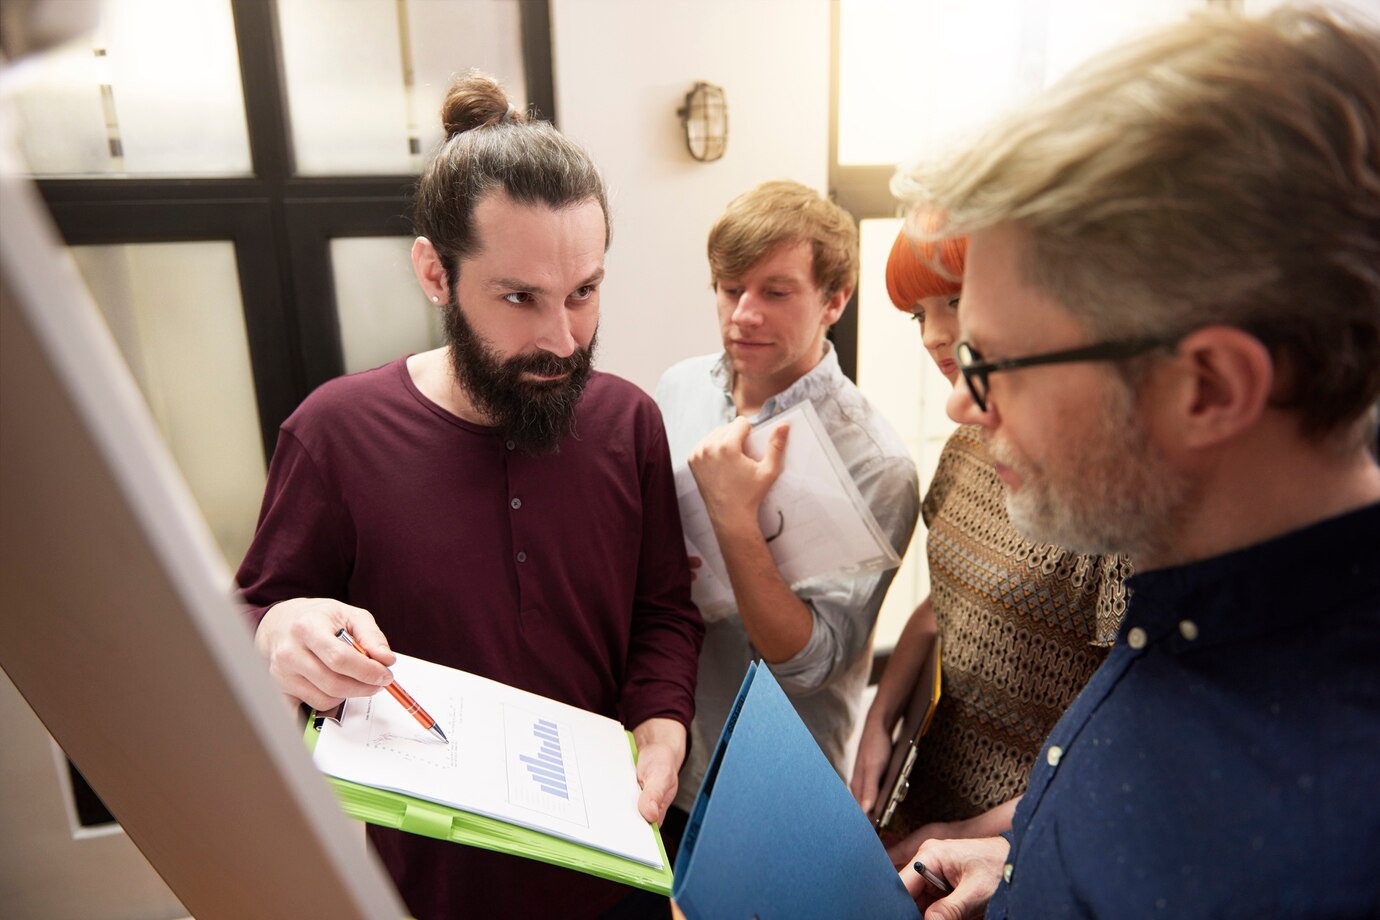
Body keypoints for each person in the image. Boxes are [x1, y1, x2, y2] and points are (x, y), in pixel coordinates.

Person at [891, 7, 1380, 918]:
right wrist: (1023, 870)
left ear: (1207, 387)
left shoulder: (1327, 853)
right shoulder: (1182, 598)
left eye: (994, 364)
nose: (963, 403)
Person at [235, 71, 704, 920]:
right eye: (520, 298)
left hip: (618, 873)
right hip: (433, 892)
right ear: (434, 273)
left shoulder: (630, 422)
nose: (563, 339)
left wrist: (665, 722)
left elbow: (663, 612)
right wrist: (279, 633)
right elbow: (255, 618)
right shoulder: (334, 434)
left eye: (584, 292)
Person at [849, 227, 1130, 862]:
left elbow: (1120, 742)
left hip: (1024, 830)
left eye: (953, 301)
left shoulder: (1105, 510)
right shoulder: (968, 447)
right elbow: (943, 605)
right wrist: (880, 718)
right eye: (918, 315)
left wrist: (965, 838)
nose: (932, 336)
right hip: (927, 784)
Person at [654, 180, 920, 845]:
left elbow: (810, 665)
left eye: (775, 292)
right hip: (669, 747)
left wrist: (734, 519)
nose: (743, 314)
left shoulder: (876, 463)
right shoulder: (680, 386)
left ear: (835, 300)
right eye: (729, 288)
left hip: (778, 784)